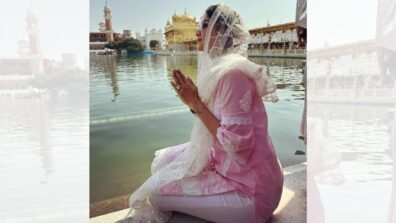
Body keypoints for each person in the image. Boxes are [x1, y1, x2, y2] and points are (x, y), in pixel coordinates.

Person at [120, 4, 283, 223]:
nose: (198, 31)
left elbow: (238, 147)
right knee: (159, 164)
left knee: (156, 193)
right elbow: (214, 122)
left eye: (205, 25)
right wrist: (192, 102)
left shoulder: (232, 75)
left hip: (251, 192)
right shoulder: (220, 71)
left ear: (223, 32)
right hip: (227, 164)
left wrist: (196, 103)